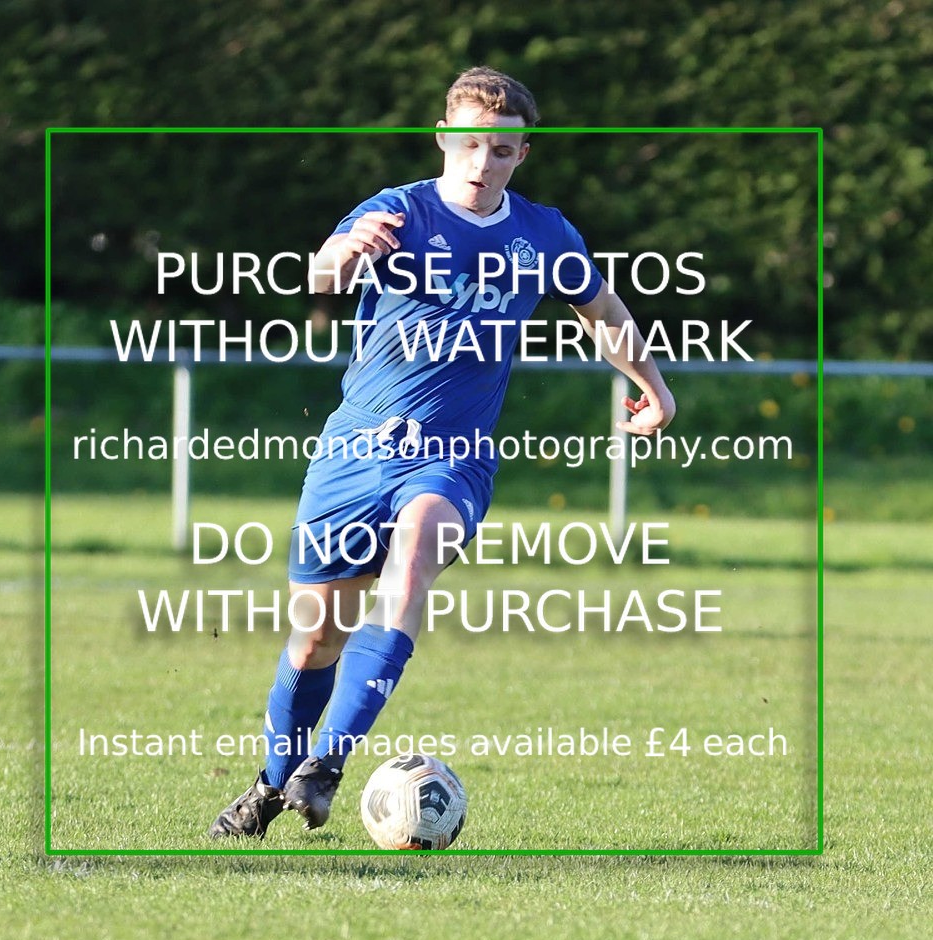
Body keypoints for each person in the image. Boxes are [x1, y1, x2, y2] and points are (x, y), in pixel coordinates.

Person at [209, 66, 676, 839]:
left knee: (416, 553)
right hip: (353, 453)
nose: (482, 160)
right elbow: (321, 273)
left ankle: (326, 765)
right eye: (469, 143)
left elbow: (600, 308)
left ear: (522, 154)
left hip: (451, 457)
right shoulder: (397, 210)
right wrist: (347, 250)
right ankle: (268, 785)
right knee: (318, 633)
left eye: (500, 149)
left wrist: (651, 383)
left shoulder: (543, 233)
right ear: (443, 139)